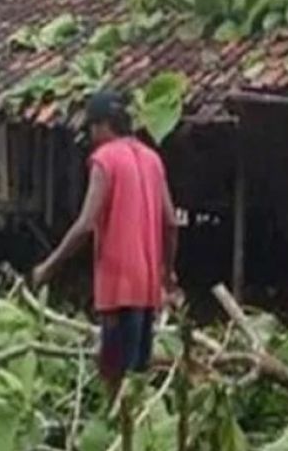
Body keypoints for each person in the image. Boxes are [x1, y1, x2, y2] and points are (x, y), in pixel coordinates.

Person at [32, 90, 179, 394]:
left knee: (113, 368)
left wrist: (48, 267)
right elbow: (171, 222)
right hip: (147, 284)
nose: (90, 134)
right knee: (138, 370)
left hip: (116, 284)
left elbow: (86, 224)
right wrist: (166, 272)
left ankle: (112, 423)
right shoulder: (153, 159)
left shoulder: (104, 160)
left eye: (91, 127)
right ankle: (132, 430)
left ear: (102, 126)